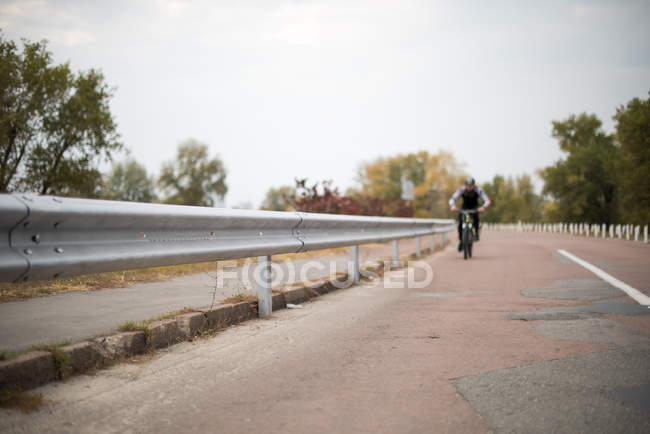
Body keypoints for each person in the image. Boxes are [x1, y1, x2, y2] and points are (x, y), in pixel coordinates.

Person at [449, 177, 491, 251]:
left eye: (471, 185)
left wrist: (483, 207)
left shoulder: (478, 190)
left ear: (473, 185)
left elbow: (487, 200)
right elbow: (453, 198)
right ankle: (461, 240)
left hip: (475, 207)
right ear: (465, 185)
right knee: (461, 221)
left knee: (476, 218)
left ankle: (476, 233)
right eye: (467, 185)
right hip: (464, 207)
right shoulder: (462, 190)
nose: (469, 187)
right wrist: (453, 206)